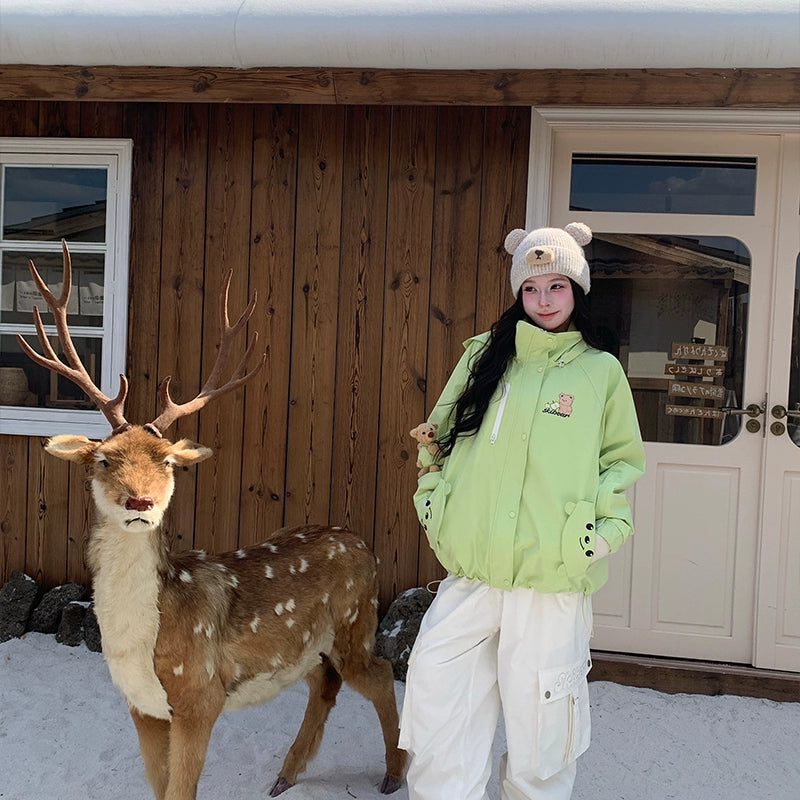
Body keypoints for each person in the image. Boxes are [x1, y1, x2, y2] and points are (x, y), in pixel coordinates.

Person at [399, 222, 646, 800]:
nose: (544, 300)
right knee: (439, 702)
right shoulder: (484, 357)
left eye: (556, 286)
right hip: (472, 574)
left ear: (577, 289)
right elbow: (438, 436)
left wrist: (602, 534)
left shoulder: (600, 372)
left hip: (549, 577)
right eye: (531, 289)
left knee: (544, 726)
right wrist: (434, 502)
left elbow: (620, 461)